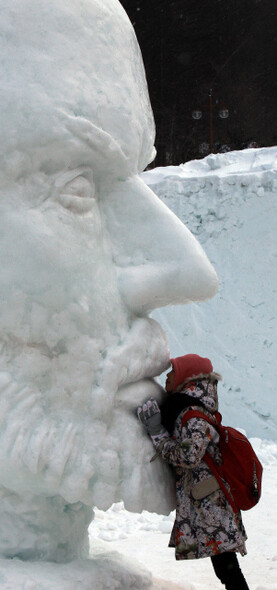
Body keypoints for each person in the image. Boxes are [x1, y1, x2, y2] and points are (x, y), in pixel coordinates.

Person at [137, 353, 250, 590]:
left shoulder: (193, 416)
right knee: (225, 567)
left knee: (227, 568)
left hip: (213, 506)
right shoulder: (188, 409)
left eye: (172, 374)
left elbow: (189, 456)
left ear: (185, 378)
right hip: (209, 502)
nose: (167, 379)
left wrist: (157, 432)